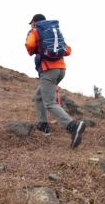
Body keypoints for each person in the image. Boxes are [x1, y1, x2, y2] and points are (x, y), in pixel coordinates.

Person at [25, 13, 86, 149]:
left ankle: (72, 125)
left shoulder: (35, 31)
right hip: (61, 69)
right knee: (39, 96)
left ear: (34, 22)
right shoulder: (54, 31)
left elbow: (29, 45)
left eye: (31, 23)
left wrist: (35, 49)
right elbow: (68, 50)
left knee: (50, 103)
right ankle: (43, 124)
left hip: (48, 70)